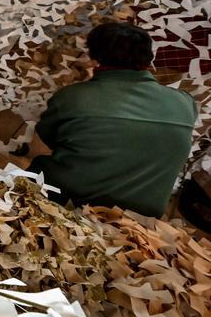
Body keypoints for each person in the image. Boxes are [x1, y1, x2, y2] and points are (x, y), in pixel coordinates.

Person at [29, 22, 198, 217]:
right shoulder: (185, 103)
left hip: (67, 204)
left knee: (36, 162)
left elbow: (41, 146)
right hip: (141, 219)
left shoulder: (73, 97)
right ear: (148, 57)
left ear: (95, 57)